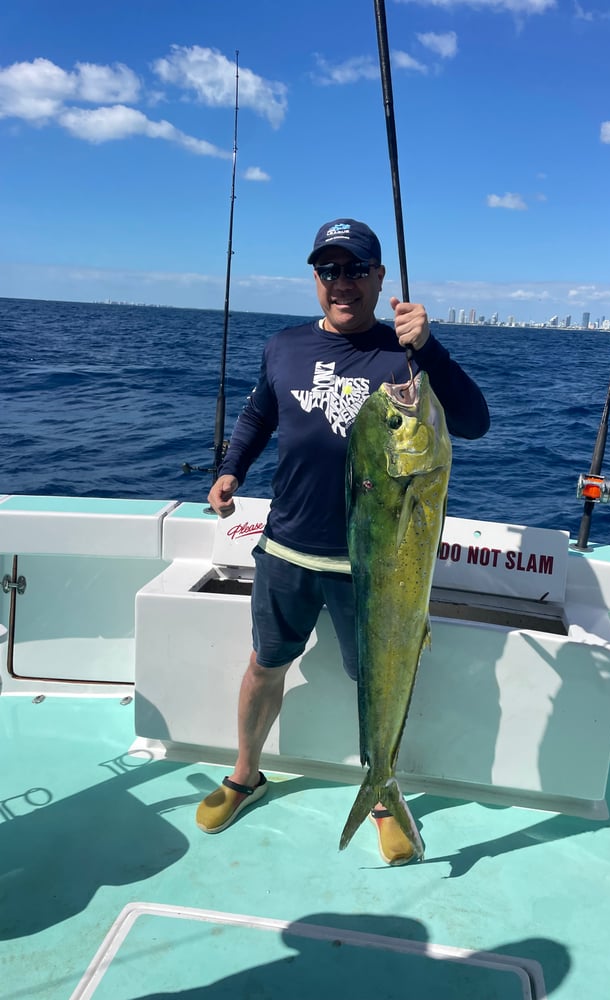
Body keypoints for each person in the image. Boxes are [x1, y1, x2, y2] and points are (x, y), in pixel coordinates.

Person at [196, 218, 490, 864]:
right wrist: (230, 468)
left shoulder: (403, 353)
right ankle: (246, 773)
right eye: (330, 270)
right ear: (315, 279)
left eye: (356, 269)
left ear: (380, 278)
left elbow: (473, 423)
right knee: (263, 666)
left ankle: (384, 794)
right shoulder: (283, 346)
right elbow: (258, 413)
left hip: (376, 567)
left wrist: (432, 348)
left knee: (379, 682)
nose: (343, 283)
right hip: (288, 547)